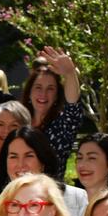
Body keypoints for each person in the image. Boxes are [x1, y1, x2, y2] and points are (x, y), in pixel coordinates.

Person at [19, 47, 83, 178]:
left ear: (56, 96)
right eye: (38, 87)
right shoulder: (17, 122)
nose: (43, 94)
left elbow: (72, 105)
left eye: (50, 88)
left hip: (52, 195)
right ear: (29, 92)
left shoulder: (62, 125)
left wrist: (70, 73)